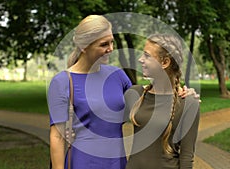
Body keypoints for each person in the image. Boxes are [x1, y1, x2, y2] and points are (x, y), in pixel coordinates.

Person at [48, 14, 198, 169]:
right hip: (83, 162)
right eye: (104, 44)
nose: (111, 49)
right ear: (84, 46)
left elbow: (148, 98)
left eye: (112, 41)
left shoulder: (117, 76)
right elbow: (57, 137)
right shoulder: (62, 82)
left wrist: (183, 93)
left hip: (116, 162)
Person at [124, 34, 200, 169]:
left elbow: (187, 158)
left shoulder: (188, 103)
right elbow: (104, 123)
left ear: (165, 63)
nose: (140, 59)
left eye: (147, 56)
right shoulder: (135, 94)